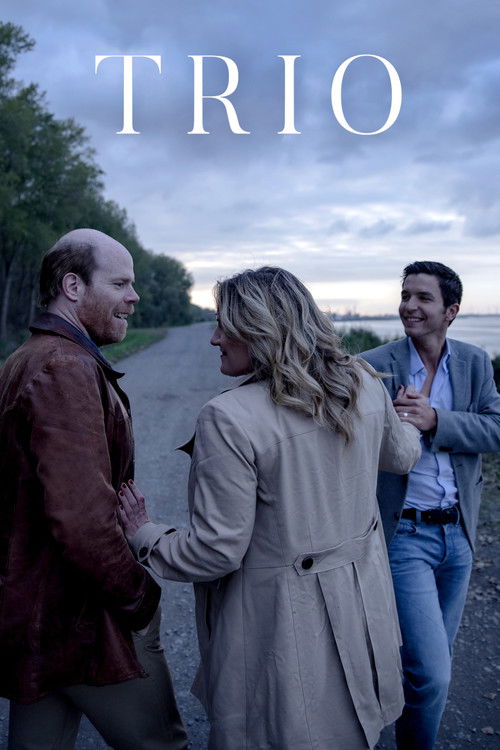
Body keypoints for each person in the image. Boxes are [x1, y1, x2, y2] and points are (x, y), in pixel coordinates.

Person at [118, 266, 421, 750]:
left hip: (281, 629)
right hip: (363, 613)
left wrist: (145, 535)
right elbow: (401, 457)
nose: (214, 339)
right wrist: (409, 421)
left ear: (260, 329)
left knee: (281, 729)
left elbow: (215, 552)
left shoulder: (228, 417)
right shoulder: (362, 382)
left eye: (225, 326)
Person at [0, 229, 187, 750]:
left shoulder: (29, 357)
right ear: (73, 286)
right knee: (162, 745)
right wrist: (139, 598)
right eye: (121, 283)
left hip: (38, 618)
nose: (134, 297)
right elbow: (83, 521)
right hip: (83, 619)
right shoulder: (63, 367)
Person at [360, 260, 500, 750]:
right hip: (404, 537)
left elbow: (496, 429)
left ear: (451, 311)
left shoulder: (475, 363)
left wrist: (435, 419)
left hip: (459, 537)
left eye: (423, 298)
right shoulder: (373, 366)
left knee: (429, 665)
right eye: (406, 295)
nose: (409, 306)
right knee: (432, 674)